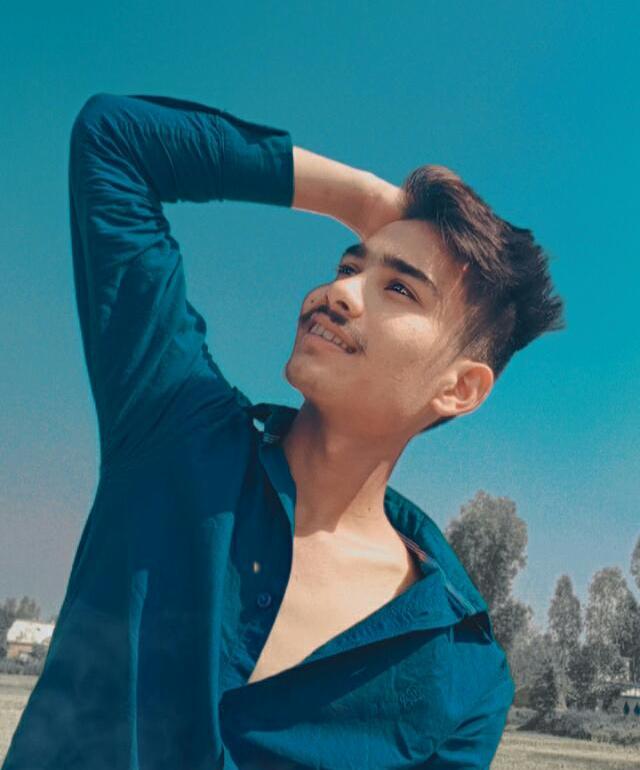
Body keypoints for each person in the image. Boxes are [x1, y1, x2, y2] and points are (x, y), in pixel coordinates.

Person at [2, 92, 565, 770]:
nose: (339, 292)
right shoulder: (174, 429)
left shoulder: (462, 674)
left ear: (460, 388)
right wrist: (364, 200)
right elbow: (115, 140)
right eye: (349, 267)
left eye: (399, 289)